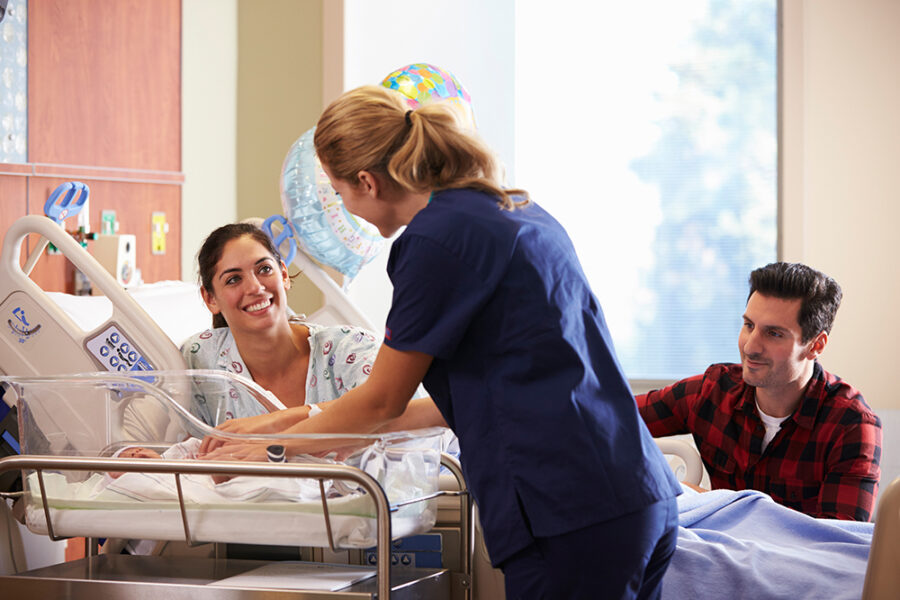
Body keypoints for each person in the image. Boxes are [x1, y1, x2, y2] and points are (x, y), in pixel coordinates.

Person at [202, 85, 682, 599]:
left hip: (570, 511)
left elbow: (382, 400)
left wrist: (272, 449)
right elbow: (443, 405)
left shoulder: (434, 242)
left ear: (366, 182)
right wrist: (285, 423)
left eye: (341, 195)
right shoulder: (513, 208)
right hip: (632, 494)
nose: (347, 209)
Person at [635, 262, 882, 521]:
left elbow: (835, 545)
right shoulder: (712, 391)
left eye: (774, 333)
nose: (750, 347)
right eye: (749, 325)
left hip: (794, 562)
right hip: (717, 556)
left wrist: (710, 500)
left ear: (816, 345)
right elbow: (608, 420)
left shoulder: (851, 425)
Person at [181, 222, 444, 432]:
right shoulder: (201, 360)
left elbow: (407, 416)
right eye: (234, 279)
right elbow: (190, 451)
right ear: (210, 299)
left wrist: (283, 422)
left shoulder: (349, 351)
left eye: (264, 269)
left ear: (284, 275)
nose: (255, 288)